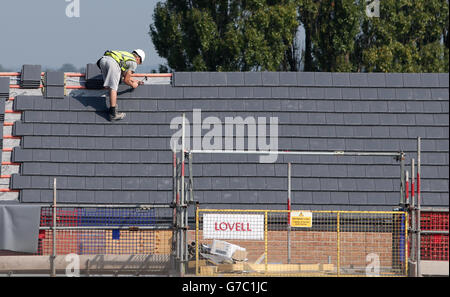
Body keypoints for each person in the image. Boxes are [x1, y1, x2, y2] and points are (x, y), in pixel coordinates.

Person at [97, 49, 146, 121]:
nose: (138, 64)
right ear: (138, 58)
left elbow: (124, 74)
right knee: (113, 87)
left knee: (110, 84)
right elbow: (126, 80)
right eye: (140, 62)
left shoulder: (127, 55)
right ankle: (113, 113)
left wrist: (134, 80)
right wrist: (133, 85)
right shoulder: (134, 62)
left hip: (103, 60)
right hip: (112, 64)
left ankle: (111, 103)